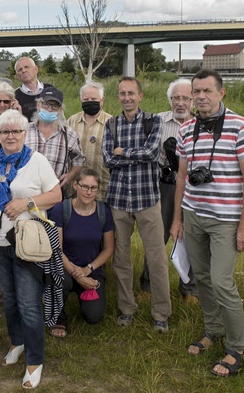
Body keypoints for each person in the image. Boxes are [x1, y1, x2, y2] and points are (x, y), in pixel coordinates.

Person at [170, 70, 244, 378]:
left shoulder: (240, 126)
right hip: (194, 214)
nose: (201, 96)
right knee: (203, 278)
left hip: (225, 219)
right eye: (197, 91)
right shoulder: (186, 129)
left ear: (222, 93)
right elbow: (181, 176)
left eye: (207, 91)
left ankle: (237, 346)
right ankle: (212, 329)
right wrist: (178, 219)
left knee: (222, 281)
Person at [0, 109, 62, 389]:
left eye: (16, 131)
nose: (10, 136)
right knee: (10, 299)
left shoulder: (36, 161)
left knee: (27, 303)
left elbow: (56, 195)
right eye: (5, 131)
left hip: (26, 243)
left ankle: (35, 360)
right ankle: (17, 342)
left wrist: (27, 203)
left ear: (25, 134)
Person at [102, 77, 171, 333]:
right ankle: (126, 308)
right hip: (119, 200)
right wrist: (130, 154)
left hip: (147, 200)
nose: (127, 97)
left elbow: (153, 153)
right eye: (122, 93)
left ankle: (161, 313)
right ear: (118, 97)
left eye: (131, 93)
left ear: (140, 96)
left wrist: (124, 152)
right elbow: (108, 158)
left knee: (156, 258)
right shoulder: (111, 124)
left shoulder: (154, 121)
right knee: (121, 257)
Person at [47, 168, 114, 336]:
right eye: (84, 186)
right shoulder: (61, 210)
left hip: (91, 270)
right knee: (60, 280)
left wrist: (87, 271)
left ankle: (82, 295)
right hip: (65, 268)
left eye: (93, 188)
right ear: (75, 185)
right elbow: (56, 248)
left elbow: (108, 249)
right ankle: (58, 317)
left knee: (93, 317)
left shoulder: (103, 212)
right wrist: (77, 274)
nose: (88, 192)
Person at [150, 79, 199, 301]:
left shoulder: (201, 124)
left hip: (192, 188)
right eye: (176, 98)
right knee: (157, 236)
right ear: (170, 100)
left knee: (191, 237)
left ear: (193, 100)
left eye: (185, 98)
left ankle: (189, 288)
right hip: (164, 185)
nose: (180, 103)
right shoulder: (157, 121)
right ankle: (147, 284)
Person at [24, 86, 84, 196]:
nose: (50, 109)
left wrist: (71, 175)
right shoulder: (24, 131)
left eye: (55, 106)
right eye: (46, 104)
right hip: (26, 192)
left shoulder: (69, 135)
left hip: (55, 194)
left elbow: (79, 160)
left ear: (60, 110)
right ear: (38, 105)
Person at [66, 82, 113, 201]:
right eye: (86, 99)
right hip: (75, 189)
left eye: (94, 99)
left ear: (102, 100)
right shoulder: (71, 121)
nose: (90, 101)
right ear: (81, 100)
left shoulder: (112, 123)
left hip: (103, 189)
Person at [13, 57, 54, 121]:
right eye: (20, 69)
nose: (23, 71)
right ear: (17, 76)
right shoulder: (14, 96)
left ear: (36, 69)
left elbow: (60, 116)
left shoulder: (50, 90)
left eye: (26, 67)